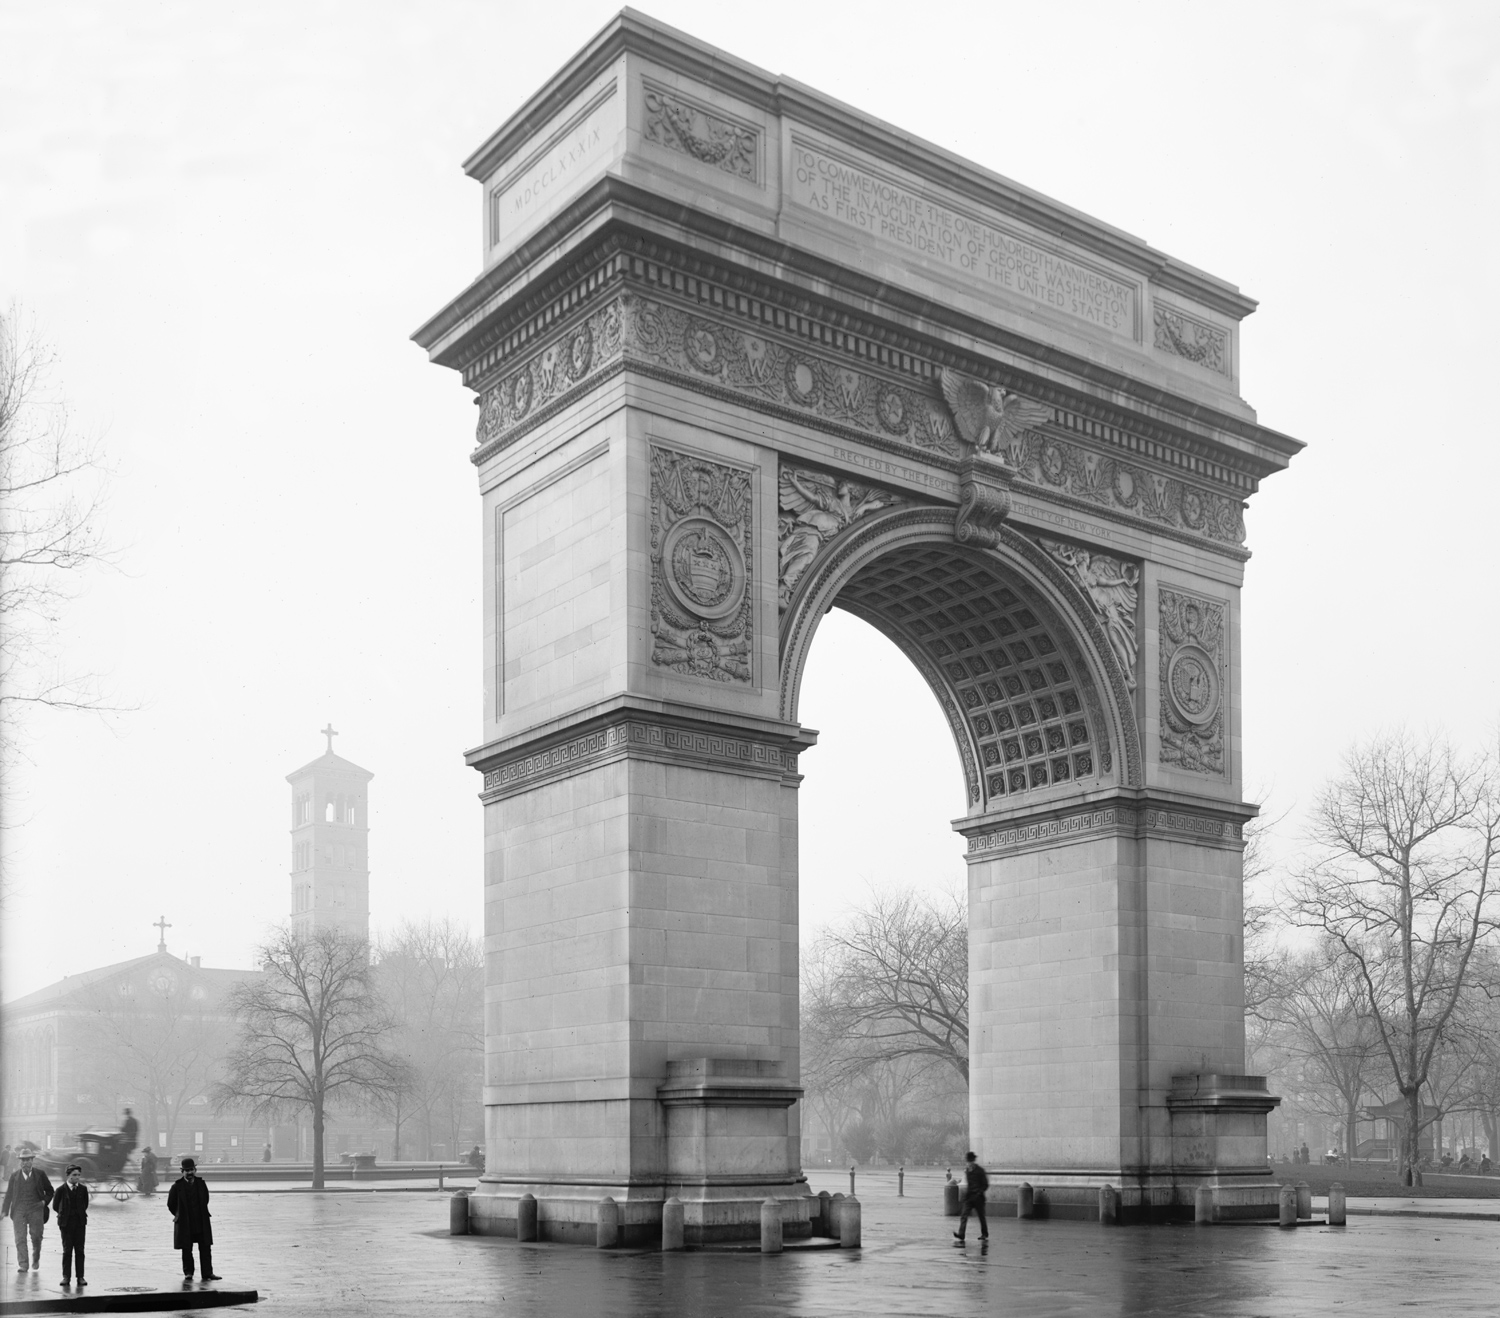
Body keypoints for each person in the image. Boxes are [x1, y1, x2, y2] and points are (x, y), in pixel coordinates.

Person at [2, 1149, 55, 1273]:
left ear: (32, 1161)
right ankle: (23, 1264)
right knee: (20, 1238)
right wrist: (4, 1210)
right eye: (23, 1160)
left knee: (36, 1236)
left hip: (36, 1209)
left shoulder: (40, 1174)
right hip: (19, 1210)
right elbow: (9, 1194)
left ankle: (36, 1258)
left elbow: (50, 1191)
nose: (25, 1163)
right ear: (20, 1162)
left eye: (28, 1160)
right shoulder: (14, 1176)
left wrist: (44, 1202)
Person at [167, 1158, 219, 1282]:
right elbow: (171, 1204)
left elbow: (206, 1200)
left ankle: (207, 1273)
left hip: (201, 1221)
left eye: (191, 1170)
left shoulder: (201, 1184)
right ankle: (188, 1273)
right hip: (185, 1223)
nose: (189, 1173)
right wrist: (180, 1215)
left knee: (205, 1248)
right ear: (182, 1171)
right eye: (186, 1170)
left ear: (195, 1170)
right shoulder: (176, 1186)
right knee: (186, 1249)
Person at [52, 1165, 88, 1288]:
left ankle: (80, 1277)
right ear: (68, 1175)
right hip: (66, 1224)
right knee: (67, 1250)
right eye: (74, 1175)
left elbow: (85, 1204)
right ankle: (66, 1277)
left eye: (78, 1175)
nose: (77, 1177)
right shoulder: (60, 1190)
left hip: (80, 1224)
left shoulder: (83, 1189)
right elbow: (55, 1206)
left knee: (80, 1250)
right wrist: (65, 1214)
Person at [952, 1150, 989, 1243]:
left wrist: (979, 1192)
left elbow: (985, 1184)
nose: (968, 1163)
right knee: (964, 1215)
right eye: (968, 1161)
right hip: (969, 1197)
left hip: (978, 1198)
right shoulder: (967, 1170)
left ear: (973, 1161)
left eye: (970, 1161)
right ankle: (961, 1234)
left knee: (981, 1216)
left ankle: (984, 1234)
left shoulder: (980, 1171)